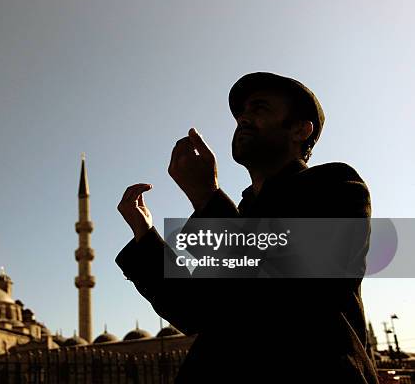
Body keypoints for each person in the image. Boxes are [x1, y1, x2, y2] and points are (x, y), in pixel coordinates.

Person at [116, 72, 379, 383]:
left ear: (299, 129)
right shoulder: (240, 214)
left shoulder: (335, 186)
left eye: (260, 108)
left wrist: (207, 196)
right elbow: (195, 310)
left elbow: (295, 287)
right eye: (242, 112)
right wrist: (145, 237)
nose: (243, 118)